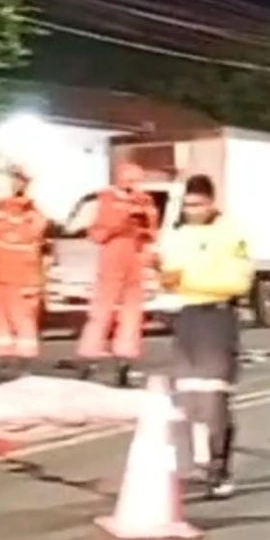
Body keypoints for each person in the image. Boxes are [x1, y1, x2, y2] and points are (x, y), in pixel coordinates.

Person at [158, 174, 254, 500]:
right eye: (187, 205)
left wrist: (187, 279)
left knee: (214, 400)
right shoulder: (177, 234)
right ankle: (197, 464)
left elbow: (238, 281)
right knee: (188, 399)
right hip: (186, 317)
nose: (192, 210)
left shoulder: (230, 234)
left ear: (212, 203)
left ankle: (219, 469)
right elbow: (168, 271)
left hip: (217, 317)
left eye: (198, 204)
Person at [76, 162, 158, 387]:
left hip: (136, 257)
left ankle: (125, 362)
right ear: (119, 179)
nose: (134, 185)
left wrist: (144, 229)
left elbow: (152, 231)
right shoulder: (106, 198)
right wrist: (121, 221)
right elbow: (95, 233)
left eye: (137, 181)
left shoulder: (145, 201)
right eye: (130, 180)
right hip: (113, 255)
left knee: (132, 314)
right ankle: (89, 360)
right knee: (102, 310)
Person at [0, 165, 48, 374]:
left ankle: (24, 361)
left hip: (23, 276)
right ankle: (2, 357)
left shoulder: (33, 214)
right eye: (13, 179)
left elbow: (33, 234)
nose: (15, 184)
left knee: (22, 318)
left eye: (20, 180)